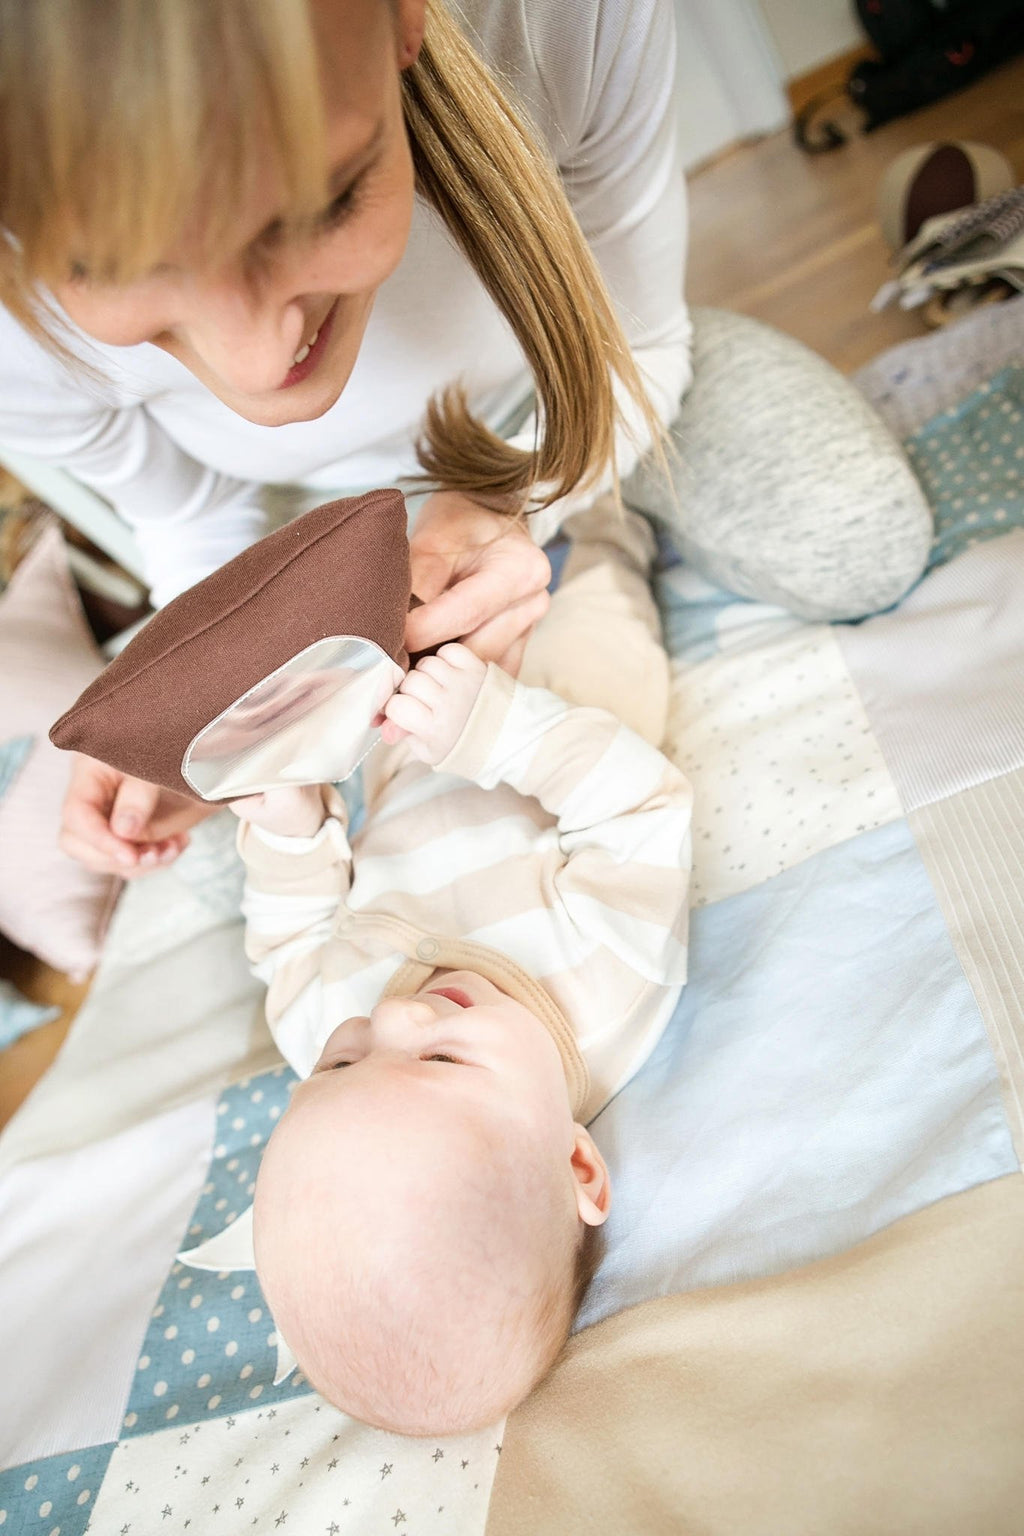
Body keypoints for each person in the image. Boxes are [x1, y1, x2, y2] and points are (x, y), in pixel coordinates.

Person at [0, 0, 928, 882]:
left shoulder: (551, 22)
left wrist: (514, 496)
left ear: (406, 22)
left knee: (857, 540)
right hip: (316, 521)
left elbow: (642, 340)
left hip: (590, 378)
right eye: (108, 271)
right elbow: (193, 515)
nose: (260, 361)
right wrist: (219, 704)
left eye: (324, 206)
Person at [228, 502, 692, 1434]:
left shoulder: (330, 1025)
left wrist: (289, 832)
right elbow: (639, 809)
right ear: (575, 1161)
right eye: (441, 1064)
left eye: (338, 1067)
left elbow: (292, 938)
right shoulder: (606, 985)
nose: (390, 1021)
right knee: (602, 608)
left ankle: (485, 507)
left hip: (408, 751)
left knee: (405, 616)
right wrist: (499, 729)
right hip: (564, 731)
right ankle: (616, 515)